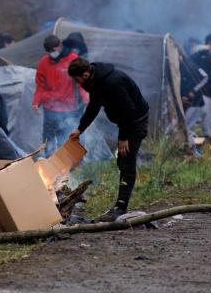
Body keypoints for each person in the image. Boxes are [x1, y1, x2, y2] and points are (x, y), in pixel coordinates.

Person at [68, 58, 149, 222]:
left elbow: (129, 110)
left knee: (126, 162)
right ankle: (121, 203)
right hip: (126, 121)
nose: (77, 84)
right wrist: (80, 129)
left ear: (85, 73)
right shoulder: (95, 82)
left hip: (135, 121)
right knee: (123, 161)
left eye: (77, 80)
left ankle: (120, 207)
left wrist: (124, 137)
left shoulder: (112, 83)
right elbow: (93, 107)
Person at [33, 35, 88, 157]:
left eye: (53, 50)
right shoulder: (43, 62)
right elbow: (40, 85)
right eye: (49, 52)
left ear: (59, 46)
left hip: (70, 107)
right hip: (50, 107)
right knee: (49, 138)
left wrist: (86, 98)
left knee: (72, 135)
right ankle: (48, 161)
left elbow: (81, 82)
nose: (51, 53)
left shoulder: (72, 59)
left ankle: (77, 161)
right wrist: (36, 101)